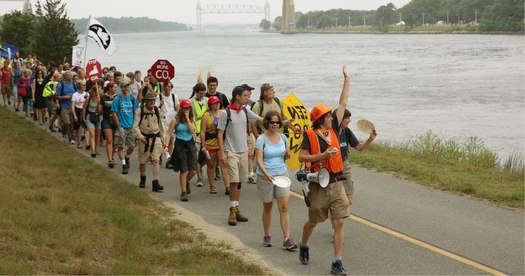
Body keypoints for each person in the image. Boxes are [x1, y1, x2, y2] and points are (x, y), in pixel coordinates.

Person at [297, 65, 351, 275]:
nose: (332, 117)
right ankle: (304, 244)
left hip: (337, 183)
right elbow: (301, 157)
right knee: (313, 221)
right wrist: (322, 156)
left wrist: (347, 78)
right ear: (320, 119)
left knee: (338, 221)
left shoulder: (335, 129)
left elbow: (343, 102)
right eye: (328, 116)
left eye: (331, 115)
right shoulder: (309, 135)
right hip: (319, 185)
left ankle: (337, 261)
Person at [217, 85, 263, 226]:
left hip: (243, 152)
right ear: (237, 96)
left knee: (240, 183)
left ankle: (236, 208)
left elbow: (260, 119)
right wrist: (222, 153)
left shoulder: (245, 111)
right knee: (234, 181)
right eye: (244, 96)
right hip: (230, 152)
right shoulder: (226, 113)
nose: (247, 98)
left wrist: (279, 121)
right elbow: (220, 133)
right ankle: (232, 210)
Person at [254, 110, 297, 250]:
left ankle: (287, 239)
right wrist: (267, 175)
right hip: (265, 177)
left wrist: (288, 154)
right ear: (267, 123)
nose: (275, 124)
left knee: (284, 207)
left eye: (277, 122)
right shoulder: (261, 139)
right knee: (268, 207)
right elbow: (259, 160)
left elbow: (285, 155)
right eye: (272, 122)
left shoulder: (284, 138)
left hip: (282, 175)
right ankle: (267, 235)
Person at [165, 99, 197, 202]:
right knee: (184, 169)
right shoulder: (176, 120)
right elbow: (169, 132)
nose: (186, 110)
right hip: (180, 145)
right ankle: (183, 192)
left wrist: (187, 118)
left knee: (193, 171)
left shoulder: (191, 118)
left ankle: (186, 182)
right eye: (184, 108)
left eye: (188, 108)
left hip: (190, 144)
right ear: (181, 109)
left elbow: (192, 130)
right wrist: (166, 145)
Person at [134, 92, 165, 192]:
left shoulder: (157, 110)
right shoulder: (140, 111)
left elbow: (161, 125)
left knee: (156, 160)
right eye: (150, 100)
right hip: (144, 139)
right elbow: (135, 126)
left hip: (156, 139)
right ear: (146, 101)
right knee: (143, 162)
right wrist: (139, 136)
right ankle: (143, 177)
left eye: (153, 100)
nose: (152, 102)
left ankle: (155, 182)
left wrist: (162, 138)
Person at [200, 96, 230, 194]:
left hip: (221, 143)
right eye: (214, 103)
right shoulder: (206, 116)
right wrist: (203, 145)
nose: (217, 104)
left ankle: (228, 186)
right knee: (211, 165)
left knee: (223, 164)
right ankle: (212, 185)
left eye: (218, 102)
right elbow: (203, 132)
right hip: (210, 143)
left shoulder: (222, 113)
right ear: (210, 105)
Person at [111, 80, 139, 174]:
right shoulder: (117, 99)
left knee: (132, 146)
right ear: (121, 88)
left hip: (131, 126)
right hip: (121, 126)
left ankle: (127, 157)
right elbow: (114, 113)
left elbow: (136, 112)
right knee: (120, 146)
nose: (126, 88)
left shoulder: (133, 99)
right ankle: (124, 165)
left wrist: (135, 124)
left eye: (127, 86)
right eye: (124, 86)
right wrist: (118, 125)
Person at [189, 82, 208, 187]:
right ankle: (199, 177)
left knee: (208, 156)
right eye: (201, 93)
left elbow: (214, 114)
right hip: (196, 133)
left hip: (207, 131)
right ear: (196, 92)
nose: (202, 95)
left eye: (204, 93)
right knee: (196, 156)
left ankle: (199, 167)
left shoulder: (208, 101)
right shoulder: (190, 102)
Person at [160, 81, 179, 169]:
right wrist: (160, 105)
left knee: (171, 140)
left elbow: (177, 109)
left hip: (171, 120)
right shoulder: (160, 96)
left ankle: (169, 158)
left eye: (169, 86)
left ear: (171, 88)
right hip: (162, 120)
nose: (167, 88)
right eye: (166, 86)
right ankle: (167, 156)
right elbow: (156, 108)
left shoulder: (174, 97)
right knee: (164, 139)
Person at [55, 71, 77, 144]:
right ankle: (64, 132)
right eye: (70, 76)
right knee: (67, 122)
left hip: (72, 106)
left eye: (72, 76)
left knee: (72, 123)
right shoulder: (61, 85)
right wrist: (64, 97)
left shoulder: (74, 84)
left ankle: (72, 138)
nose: (72, 77)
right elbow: (57, 96)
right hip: (64, 106)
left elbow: (77, 94)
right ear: (66, 77)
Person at [101, 82, 118, 168]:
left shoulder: (117, 97)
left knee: (115, 142)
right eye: (115, 87)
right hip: (106, 120)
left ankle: (112, 156)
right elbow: (100, 109)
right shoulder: (103, 97)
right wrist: (98, 103)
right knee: (109, 140)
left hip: (116, 121)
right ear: (110, 88)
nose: (116, 89)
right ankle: (110, 160)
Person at [82, 85, 102, 158]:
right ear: (94, 91)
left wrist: (99, 102)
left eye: (100, 90)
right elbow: (84, 108)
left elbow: (99, 110)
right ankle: (93, 151)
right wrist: (84, 118)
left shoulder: (100, 99)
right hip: (90, 116)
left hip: (98, 117)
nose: (99, 92)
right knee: (92, 134)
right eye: (98, 90)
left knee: (97, 134)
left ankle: (96, 149)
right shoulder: (88, 99)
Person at [71, 81, 88, 149]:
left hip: (85, 111)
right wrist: (74, 115)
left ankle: (87, 143)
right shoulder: (75, 95)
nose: (85, 86)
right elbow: (73, 105)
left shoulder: (87, 94)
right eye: (83, 85)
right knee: (79, 128)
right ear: (79, 86)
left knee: (86, 127)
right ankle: (79, 143)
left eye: (85, 85)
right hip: (78, 110)